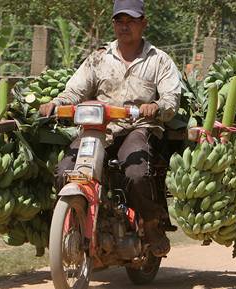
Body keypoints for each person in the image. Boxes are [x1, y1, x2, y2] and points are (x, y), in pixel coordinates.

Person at [40, 0, 181, 257]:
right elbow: (75, 90)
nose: (124, 26)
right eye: (119, 21)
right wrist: (56, 103)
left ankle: (150, 224)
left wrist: (156, 106)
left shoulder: (159, 60)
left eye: (131, 21)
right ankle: (73, 223)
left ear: (143, 23)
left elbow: (171, 99)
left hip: (137, 126)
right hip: (100, 129)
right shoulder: (99, 58)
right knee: (64, 171)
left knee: (136, 172)